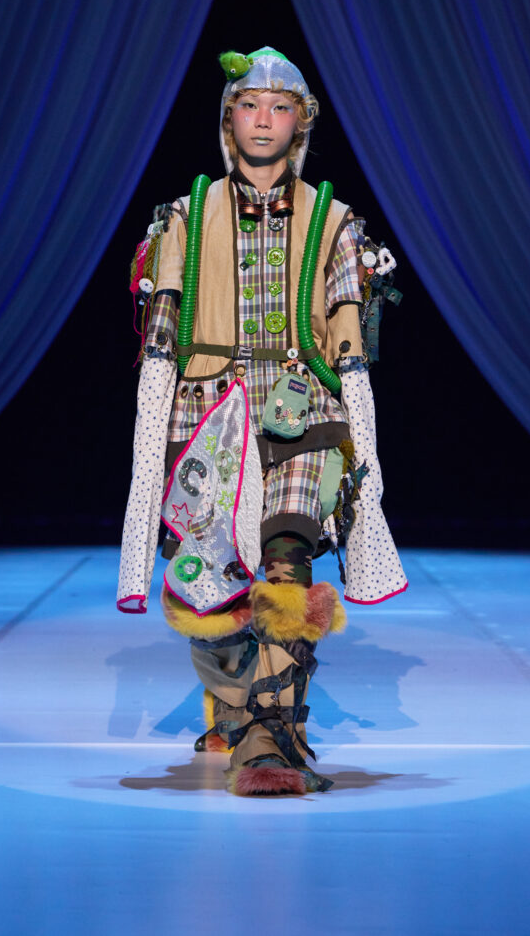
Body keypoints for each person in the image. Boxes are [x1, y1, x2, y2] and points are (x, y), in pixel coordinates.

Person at [118, 47, 407, 796]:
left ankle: (271, 736)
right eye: (250, 105)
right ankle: (238, 707)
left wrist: (365, 451)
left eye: (281, 107)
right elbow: (159, 343)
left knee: (286, 555)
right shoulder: (184, 218)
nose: (264, 120)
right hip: (208, 413)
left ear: (301, 123)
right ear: (228, 120)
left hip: (301, 411)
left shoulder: (335, 222)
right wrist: (150, 454)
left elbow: (350, 349)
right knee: (213, 581)